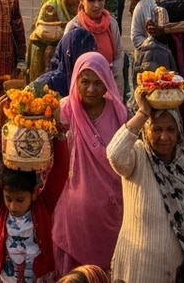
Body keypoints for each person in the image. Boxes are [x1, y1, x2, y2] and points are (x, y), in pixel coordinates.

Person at [107, 85, 184, 283]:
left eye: (170, 129)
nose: (164, 137)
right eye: (157, 129)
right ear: (146, 130)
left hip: (179, 273)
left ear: (179, 131)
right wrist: (143, 112)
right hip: (138, 272)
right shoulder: (137, 156)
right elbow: (114, 154)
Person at [0, 94, 70, 283]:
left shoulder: (43, 206)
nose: (13, 206)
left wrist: (58, 127)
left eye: (20, 200)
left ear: (35, 193)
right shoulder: (0, 209)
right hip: (7, 277)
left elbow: (60, 171)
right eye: (9, 198)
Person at [53, 51, 126, 273]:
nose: (91, 89)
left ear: (107, 84)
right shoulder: (64, 111)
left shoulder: (120, 115)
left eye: (98, 83)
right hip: (74, 211)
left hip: (111, 211)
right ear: (76, 80)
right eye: (85, 82)